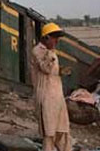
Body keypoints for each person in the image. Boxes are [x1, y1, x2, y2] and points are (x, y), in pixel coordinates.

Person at [30, 22, 71, 151]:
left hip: (57, 96)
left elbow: (51, 71)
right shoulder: (38, 51)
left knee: (63, 130)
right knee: (49, 133)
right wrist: (50, 53)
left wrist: (60, 71)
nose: (56, 40)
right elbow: (45, 68)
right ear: (46, 37)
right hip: (46, 97)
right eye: (54, 37)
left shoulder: (51, 52)